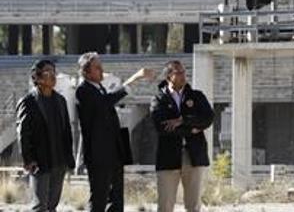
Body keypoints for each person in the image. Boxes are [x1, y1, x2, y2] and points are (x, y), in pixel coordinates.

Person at [75, 52, 154, 212]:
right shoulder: (83, 90)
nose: (102, 70)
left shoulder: (100, 88)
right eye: (97, 67)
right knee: (99, 199)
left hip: (114, 153)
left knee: (117, 200)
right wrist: (134, 78)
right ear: (86, 71)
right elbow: (105, 103)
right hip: (98, 156)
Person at [150, 60, 214, 212]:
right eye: (178, 73)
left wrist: (182, 120)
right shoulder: (158, 99)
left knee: (193, 206)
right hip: (168, 157)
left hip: (193, 155)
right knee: (165, 205)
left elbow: (208, 118)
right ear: (168, 77)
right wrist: (192, 129)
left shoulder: (197, 96)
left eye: (184, 72)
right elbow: (162, 127)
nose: (183, 76)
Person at [16, 59, 76, 212]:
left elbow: (66, 130)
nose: (53, 76)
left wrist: (69, 158)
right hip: (40, 162)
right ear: (37, 78)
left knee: (52, 206)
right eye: (48, 72)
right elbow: (22, 132)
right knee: (40, 206)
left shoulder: (61, 100)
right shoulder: (28, 102)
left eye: (54, 72)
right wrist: (28, 160)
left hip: (59, 161)